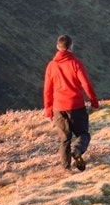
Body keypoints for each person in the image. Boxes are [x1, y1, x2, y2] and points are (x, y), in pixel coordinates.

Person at [43, 34, 100, 171]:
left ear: (58, 47)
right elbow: (86, 84)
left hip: (58, 108)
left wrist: (48, 110)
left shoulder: (51, 66)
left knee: (64, 140)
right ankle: (78, 150)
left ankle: (66, 169)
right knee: (83, 134)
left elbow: (47, 90)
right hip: (76, 106)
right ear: (71, 46)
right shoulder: (75, 63)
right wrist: (94, 103)